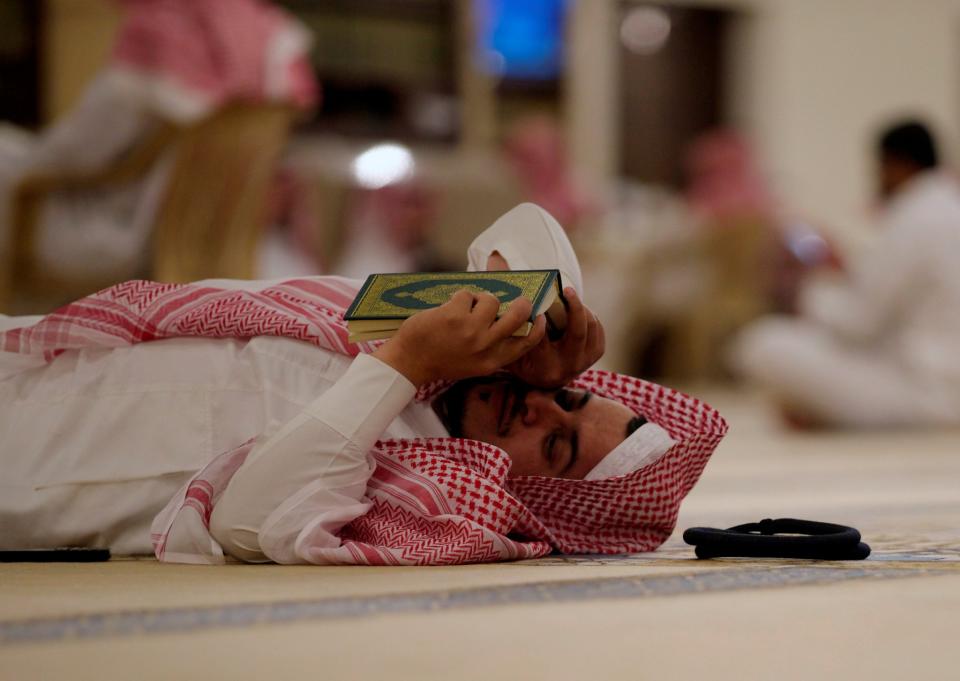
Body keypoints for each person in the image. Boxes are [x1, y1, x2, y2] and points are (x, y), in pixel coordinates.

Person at [0, 204, 725, 565]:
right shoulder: (454, 344)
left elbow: (246, 520)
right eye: (567, 397)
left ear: (544, 496)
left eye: (556, 446)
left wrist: (402, 364)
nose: (535, 409)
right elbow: (519, 228)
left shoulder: (421, 500)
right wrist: (553, 311)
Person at [0, 0, 316, 283]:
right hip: (213, 231)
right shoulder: (264, 39)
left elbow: (68, 155)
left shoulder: (155, 44)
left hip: (123, 231)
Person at [731, 120, 960, 428]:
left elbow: (858, 325)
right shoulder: (947, 205)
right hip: (935, 379)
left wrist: (820, 281)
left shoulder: (913, 217)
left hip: (929, 393)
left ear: (895, 165)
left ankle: (831, 412)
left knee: (762, 343)